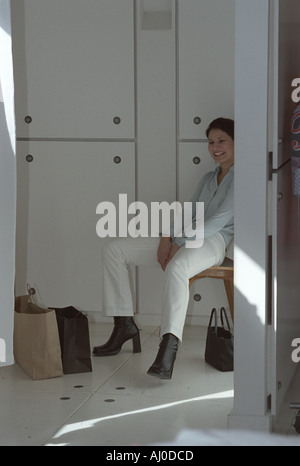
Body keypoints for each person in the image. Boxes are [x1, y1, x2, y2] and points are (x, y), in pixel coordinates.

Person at [93, 117, 234, 380]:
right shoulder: (208, 177)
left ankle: (167, 349)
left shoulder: (243, 177)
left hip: (214, 241)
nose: (215, 147)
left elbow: (218, 220)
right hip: (185, 236)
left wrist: (179, 242)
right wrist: (166, 237)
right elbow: (189, 210)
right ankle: (124, 324)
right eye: (211, 142)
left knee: (178, 267)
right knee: (114, 249)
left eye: (222, 140)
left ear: (236, 142)